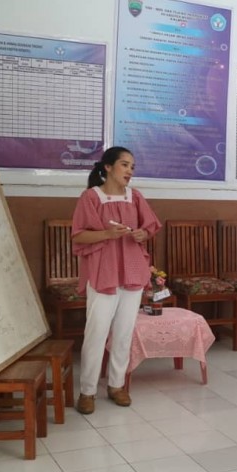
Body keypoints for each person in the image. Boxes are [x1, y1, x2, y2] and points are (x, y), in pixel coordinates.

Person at [71, 147, 161, 414]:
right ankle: (87, 391)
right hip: (104, 273)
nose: (129, 171)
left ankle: (116, 385)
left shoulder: (136, 197)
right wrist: (107, 233)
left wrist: (142, 235)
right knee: (96, 334)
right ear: (108, 167)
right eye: (124, 165)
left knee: (123, 334)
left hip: (132, 272)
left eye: (132, 166)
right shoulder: (91, 197)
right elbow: (78, 236)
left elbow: (150, 227)